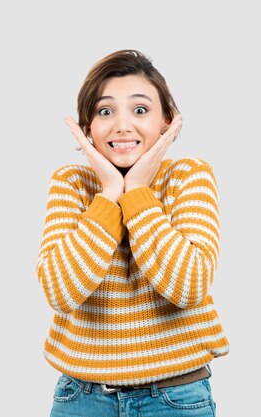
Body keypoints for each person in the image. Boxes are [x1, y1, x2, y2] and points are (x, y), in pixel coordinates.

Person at [35, 49, 229, 416]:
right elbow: (60, 291)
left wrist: (137, 191)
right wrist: (109, 194)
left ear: (167, 122)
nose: (122, 125)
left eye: (140, 110)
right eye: (105, 111)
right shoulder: (71, 183)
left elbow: (188, 285)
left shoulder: (188, 175)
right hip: (81, 398)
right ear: (88, 126)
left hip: (175, 398)